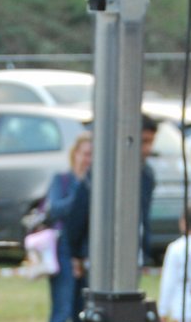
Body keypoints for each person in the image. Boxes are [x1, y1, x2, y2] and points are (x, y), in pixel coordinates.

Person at [64, 116, 159, 284]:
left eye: (151, 142)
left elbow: (143, 216)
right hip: (97, 255)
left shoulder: (146, 175)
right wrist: (76, 252)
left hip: (131, 256)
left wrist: (144, 251)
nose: (147, 149)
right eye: (144, 141)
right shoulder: (101, 171)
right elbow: (79, 213)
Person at [44, 132, 92, 322]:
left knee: (81, 313)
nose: (88, 159)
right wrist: (80, 193)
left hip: (83, 254)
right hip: (61, 250)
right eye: (85, 154)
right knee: (61, 312)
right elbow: (54, 210)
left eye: (93, 155)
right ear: (75, 154)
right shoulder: (62, 180)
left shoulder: (95, 185)